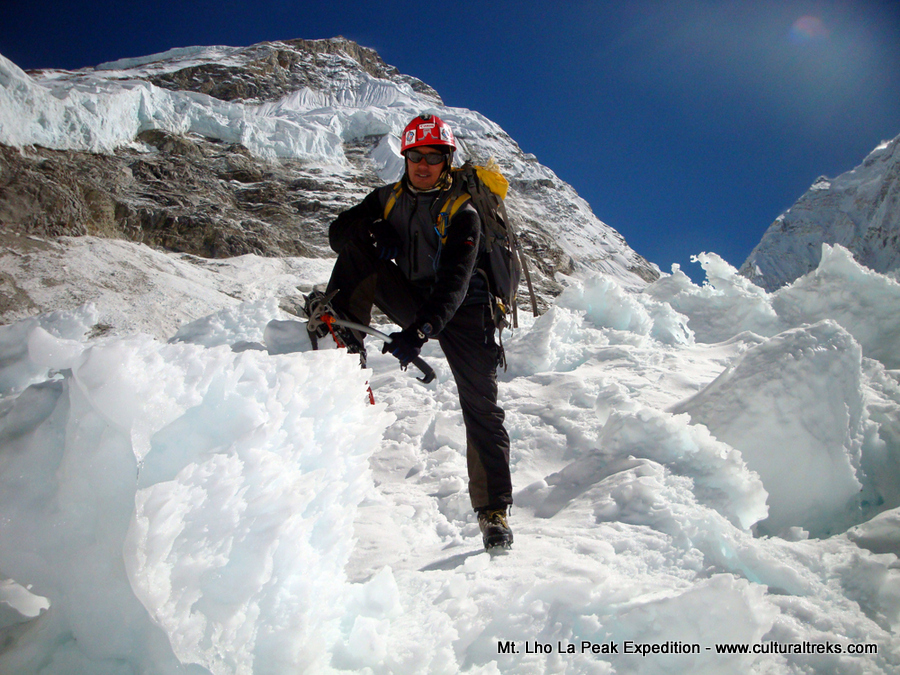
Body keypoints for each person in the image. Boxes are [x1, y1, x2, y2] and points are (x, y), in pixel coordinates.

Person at [310, 113, 513, 551]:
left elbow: (456, 283)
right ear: (404, 157)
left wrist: (418, 333)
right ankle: (341, 348)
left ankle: (493, 513)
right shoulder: (386, 199)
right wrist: (375, 226)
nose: (423, 165)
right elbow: (337, 235)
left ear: (447, 161)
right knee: (358, 249)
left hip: (467, 311)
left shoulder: (465, 211)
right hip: (417, 299)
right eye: (416, 156)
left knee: (481, 406)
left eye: (434, 158)